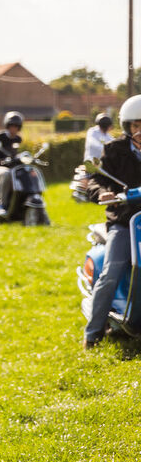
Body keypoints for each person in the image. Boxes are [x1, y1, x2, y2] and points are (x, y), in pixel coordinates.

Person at [84, 95, 141, 349]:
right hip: (124, 221)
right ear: (127, 127)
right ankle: (93, 334)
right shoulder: (114, 150)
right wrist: (102, 193)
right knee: (111, 271)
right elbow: (96, 180)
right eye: (136, 125)